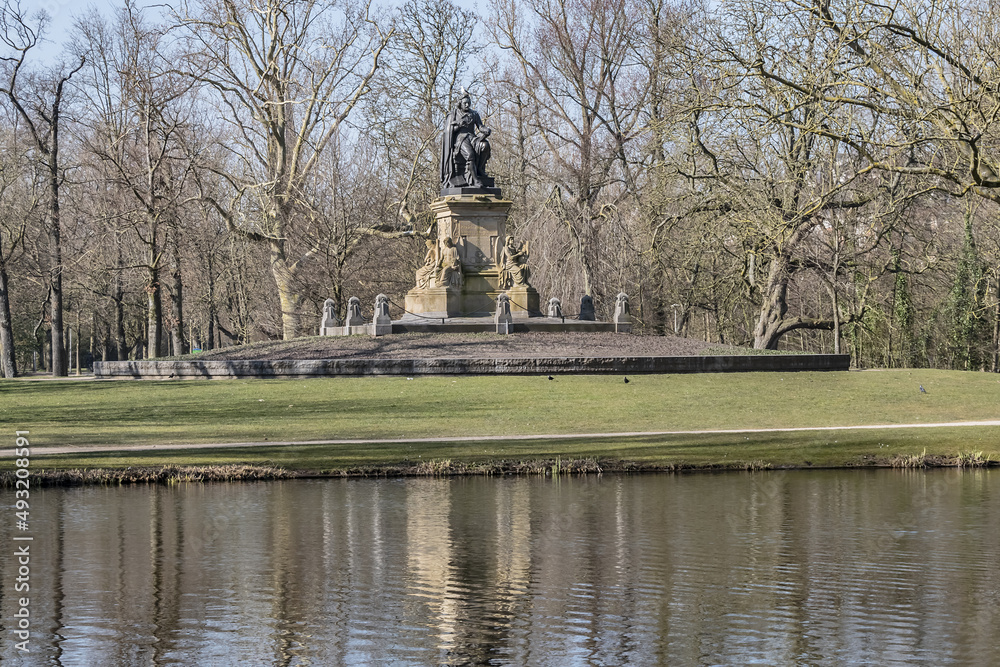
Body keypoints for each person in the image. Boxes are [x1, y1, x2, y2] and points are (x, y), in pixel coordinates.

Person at [440, 91, 492, 189]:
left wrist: (486, 130)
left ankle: (479, 169)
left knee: (485, 145)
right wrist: (459, 125)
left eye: (469, 103)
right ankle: (475, 180)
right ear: (460, 104)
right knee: (470, 155)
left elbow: (480, 126)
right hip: (460, 139)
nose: (467, 105)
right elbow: (448, 131)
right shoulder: (453, 115)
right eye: (465, 103)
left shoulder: (474, 114)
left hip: (472, 138)